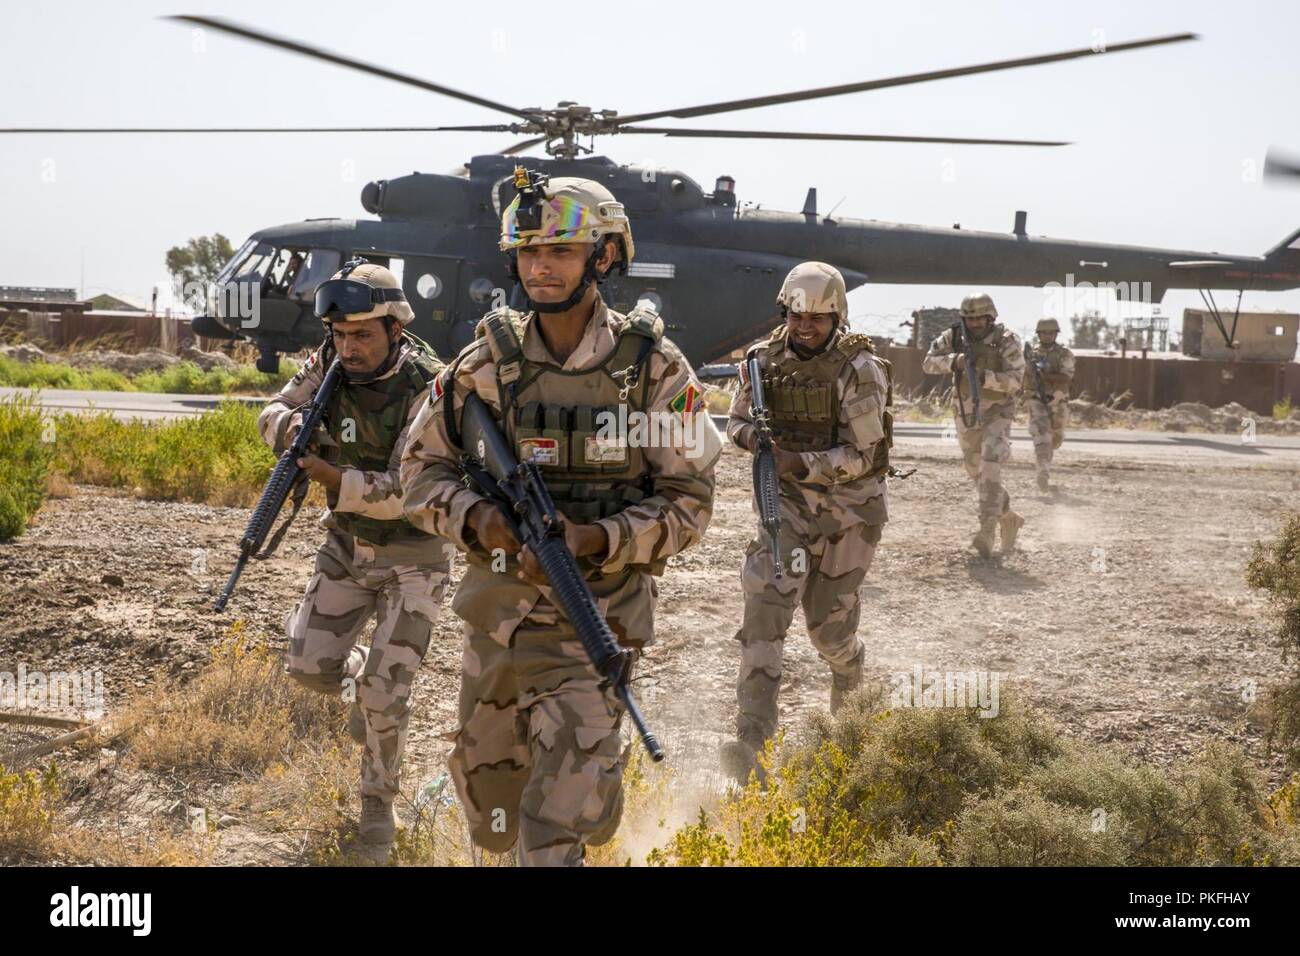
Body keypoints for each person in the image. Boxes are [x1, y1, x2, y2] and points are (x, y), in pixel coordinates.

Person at [400, 168, 720, 866]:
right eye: (527, 252)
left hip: (595, 624)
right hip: (500, 626)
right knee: (492, 826)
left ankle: (590, 774)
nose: (539, 267)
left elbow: (691, 503)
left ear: (603, 257)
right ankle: (595, 780)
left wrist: (600, 538)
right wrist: (481, 521)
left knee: (553, 833)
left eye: (561, 252)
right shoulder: (484, 365)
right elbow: (419, 475)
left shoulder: (655, 371)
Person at [257, 259, 448, 863]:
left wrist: (335, 477)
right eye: (340, 335)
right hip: (347, 545)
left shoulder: (430, 386)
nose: (349, 347)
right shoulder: (329, 362)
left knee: (384, 699)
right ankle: (363, 674)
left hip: (415, 558)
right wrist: (292, 429)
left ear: (395, 327)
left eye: (362, 334)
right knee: (308, 668)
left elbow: (410, 489)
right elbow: (270, 411)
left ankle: (378, 807)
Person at [720, 261, 892, 784]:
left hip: (849, 513)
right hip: (786, 508)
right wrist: (759, 442)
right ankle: (753, 741)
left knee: (828, 632)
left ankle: (851, 680)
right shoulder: (760, 361)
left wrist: (802, 461)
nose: (805, 326)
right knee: (765, 613)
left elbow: (865, 455)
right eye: (797, 315)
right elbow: (736, 423)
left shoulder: (858, 368)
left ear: (836, 316)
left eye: (817, 318)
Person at [921, 292, 1025, 557]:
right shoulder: (954, 336)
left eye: (980, 318)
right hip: (966, 412)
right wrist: (953, 361)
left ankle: (987, 527)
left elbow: (1015, 380)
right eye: (970, 318)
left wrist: (983, 376)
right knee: (976, 470)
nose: (975, 323)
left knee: (990, 459)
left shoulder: (1007, 340)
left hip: (998, 411)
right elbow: (928, 363)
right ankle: (1009, 517)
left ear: (991, 317)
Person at [1024, 318, 1075, 492]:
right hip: (1036, 399)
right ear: (1038, 334)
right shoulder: (1031, 354)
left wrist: (1045, 375)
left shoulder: (1064, 354)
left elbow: (1066, 377)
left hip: (1058, 400)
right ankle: (1043, 473)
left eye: (1051, 332)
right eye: (1044, 333)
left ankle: (1045, 460)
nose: (1047, 336)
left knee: (1056, 438)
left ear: (1056, 334)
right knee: (1042, 436)